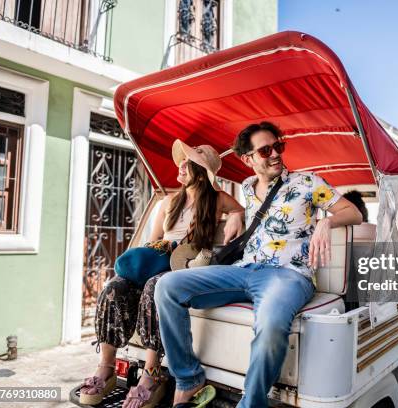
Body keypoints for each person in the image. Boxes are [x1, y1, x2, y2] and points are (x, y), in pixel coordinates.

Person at [154, 121, 363, 408]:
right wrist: (238, 215)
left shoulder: (306, 183)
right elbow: (241, 213)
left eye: (279, 146)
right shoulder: (248, 187)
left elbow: (352, 212)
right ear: (248, 159)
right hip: (244, 270)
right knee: (166, 286)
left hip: (288, 276)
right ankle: (188, 379)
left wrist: (326, 221)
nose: (275, 154)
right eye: (265, 150)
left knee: (271, 323)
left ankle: (251, 403)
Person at [79, 141, 244, 408]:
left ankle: (151, 373)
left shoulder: (216, 199)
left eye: (187, 162)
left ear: (201, 171)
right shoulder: (169, 201)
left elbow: (239, 209)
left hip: (186, 266)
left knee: (156, 286)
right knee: (114, 287)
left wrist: (235, 216)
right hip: (160, 259)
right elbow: (153, 241)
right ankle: (106, 367)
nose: (180, 165)